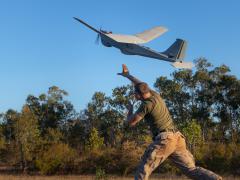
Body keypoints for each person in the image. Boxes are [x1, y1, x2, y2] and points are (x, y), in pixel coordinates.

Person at [118, 64, 222, 180]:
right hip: (177, 137)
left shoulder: (146, 104)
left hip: (166, 139)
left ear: (138, 95)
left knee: (145, 166)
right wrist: (128, 75)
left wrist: (130, 110)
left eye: (135, 93)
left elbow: (131, 122)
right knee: (191, 170)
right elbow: (140, 84)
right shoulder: (155, 95)